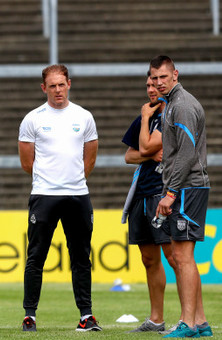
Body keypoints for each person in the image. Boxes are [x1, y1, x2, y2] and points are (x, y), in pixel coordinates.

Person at [18, 64, 101, 332]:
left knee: (81, 257)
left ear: (69, 84)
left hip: (77, 195)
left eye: (61, 84)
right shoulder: (32, 119)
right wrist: (50, 181)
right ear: (44, 88)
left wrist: (72, 180)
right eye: (52, 86)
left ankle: (86, 316)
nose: (57, 90)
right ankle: (29, 314)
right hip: (44, 196)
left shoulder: (84, 116)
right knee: (36, 256)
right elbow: (26, 162)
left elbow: (89, 158)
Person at [149, 55, 213, 338]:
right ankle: (200, 322)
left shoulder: (182, 104)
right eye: (154, 78)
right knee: (182, 256)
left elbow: (186, 153)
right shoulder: (172, 103)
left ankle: (187, 323)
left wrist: (171, 192)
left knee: (183, 257)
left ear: (176, 74)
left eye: (163, 77)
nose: (159, 82)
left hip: (187, 188)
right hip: (186, 187)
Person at [121, 74, 178, 333]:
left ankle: (192, 317)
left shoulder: (170, 116)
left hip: (162, 193)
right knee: (148, 259)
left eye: (155, 84)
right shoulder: (145, 116)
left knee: (174, 257)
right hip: (141, 195)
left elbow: (143, 148)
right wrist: (149, 153)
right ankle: (156, 319)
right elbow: (129, 155)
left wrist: (145, 121)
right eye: (147, 85)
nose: (151, 89)